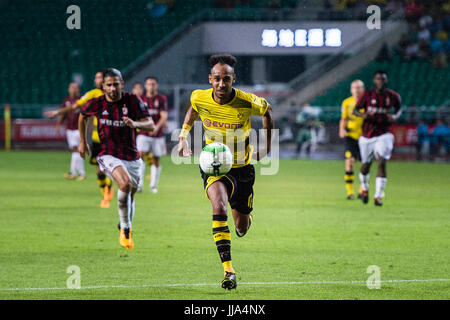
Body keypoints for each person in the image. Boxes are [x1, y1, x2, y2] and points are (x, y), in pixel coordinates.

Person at [177, 54, 274, 290]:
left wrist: (267, 146)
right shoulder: (199, 96)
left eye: (227, 79)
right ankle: (229, 270)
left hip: (242, 168)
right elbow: (193, 110)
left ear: (233, 80)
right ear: (210, 79)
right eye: (217, 79)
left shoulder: (247, 101)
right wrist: (183, 136)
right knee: (218, 205)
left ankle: (243, 215)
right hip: (213, 164)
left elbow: (267, 113)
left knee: (241, 226)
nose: (222, 84)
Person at [78, 68, 154, 250]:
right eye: (109, 84)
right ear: (103, 86)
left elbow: (150, 125)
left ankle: (124, 225)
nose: (113, 88)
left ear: (122, 83)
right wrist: (83, 142)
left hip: (132, 156)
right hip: (107, 153)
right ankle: (126, 230)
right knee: (125, 184)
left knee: (130, 196)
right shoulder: (97, 103)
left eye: (116, 83)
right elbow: (82, 115)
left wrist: (135, 124)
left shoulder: (133, 100)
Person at [46, 71, 114, 208]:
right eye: (96, 78)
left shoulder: (116, 95)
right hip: (98, 138)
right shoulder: (92, 94)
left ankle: (111, 193)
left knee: (111, 169)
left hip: (114, 138)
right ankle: (106, 195)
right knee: (100, 170)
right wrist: (58, 112)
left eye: (100, 77)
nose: (97, 80)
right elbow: (74, 106)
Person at [353, 70, 403, 206]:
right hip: (367, 135)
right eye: (378, 79)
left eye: (382, 79)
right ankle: (364, 188)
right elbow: (355, 110)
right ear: (374, 81)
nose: (380, 81)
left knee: (382, 161)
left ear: (386, 81)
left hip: (384, 134)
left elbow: (399, 109)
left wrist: (395, 117)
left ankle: (378, 195)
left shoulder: (392, 96)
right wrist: (364, 115)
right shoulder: (367, 95)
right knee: (365, 166)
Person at [136, 76, 168, 193]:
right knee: (140, 156)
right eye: (149, 84)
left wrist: (156, 127)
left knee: (156, 159)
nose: (151, 86)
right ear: (145, 86)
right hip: (143, 133)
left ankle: (153, 186)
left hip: (157, 135)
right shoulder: (141, 99)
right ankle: (139, 184)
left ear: (156, 85)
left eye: (153, 84)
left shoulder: (161, 99)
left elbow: (164, 116)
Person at [339, 79, 365, 200]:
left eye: (359, 87)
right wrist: (342, 130)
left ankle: (361, 190)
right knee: (349, 163)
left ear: (363, 88)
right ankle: (350, 193)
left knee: (364, 165)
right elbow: (343, 119)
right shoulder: (346, 102)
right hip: (351, 137)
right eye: (354, 87)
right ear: (351, 89)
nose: (357, 90)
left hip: (364, 137)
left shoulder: (368, 102)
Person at [56, 82, 84, 180]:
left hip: (79, 128)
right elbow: (62, 113)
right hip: (69, 129)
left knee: (76, 150)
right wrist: (58, 124)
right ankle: (78, 173)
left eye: (75, 88)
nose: (73, 89)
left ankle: (75, 173)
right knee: (75, 150)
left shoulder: (81, 99)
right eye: (71, 87)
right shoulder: (66, 100)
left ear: (78, 89)